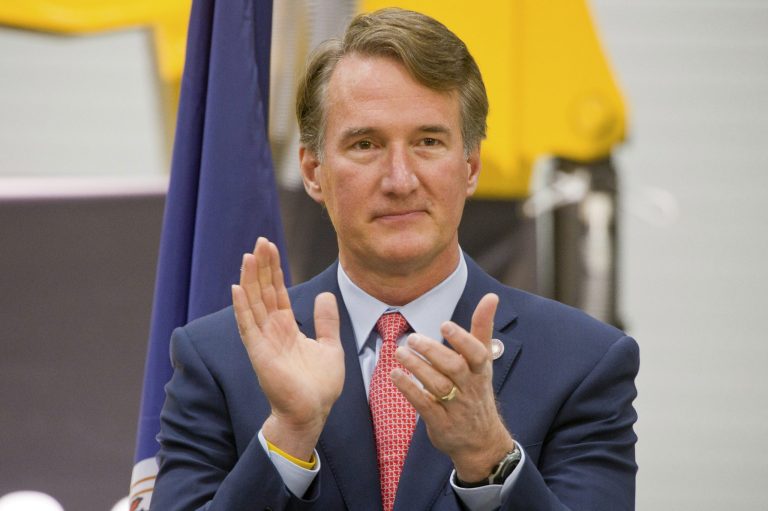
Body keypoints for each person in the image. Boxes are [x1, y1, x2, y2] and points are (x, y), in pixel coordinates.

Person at [151, 8, 638, 511]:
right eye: (366, 145)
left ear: (470, 167)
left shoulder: (583, 362)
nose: (400, 179)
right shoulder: (217, 359)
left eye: (429, 142)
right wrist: (286, 436)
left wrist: (488, 457)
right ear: (314, 172)